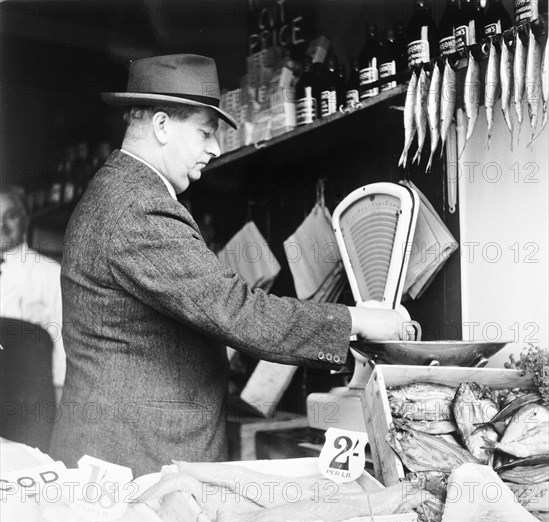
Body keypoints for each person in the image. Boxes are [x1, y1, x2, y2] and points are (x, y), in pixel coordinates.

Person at [49, 54, 410, 477]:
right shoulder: (138, 207)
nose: (215, 148)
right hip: (134, 464)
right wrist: (357, 320)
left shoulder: (119, 192)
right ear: (162, 126)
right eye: (205, 132)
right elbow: (235, 310)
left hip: (123, 456)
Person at [0, 186, 66, 402]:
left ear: (25, 219)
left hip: (29, 398)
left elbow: (62, 347)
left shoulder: (49, 273)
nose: (1, 225)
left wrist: (59, 403)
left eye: (10, 216)